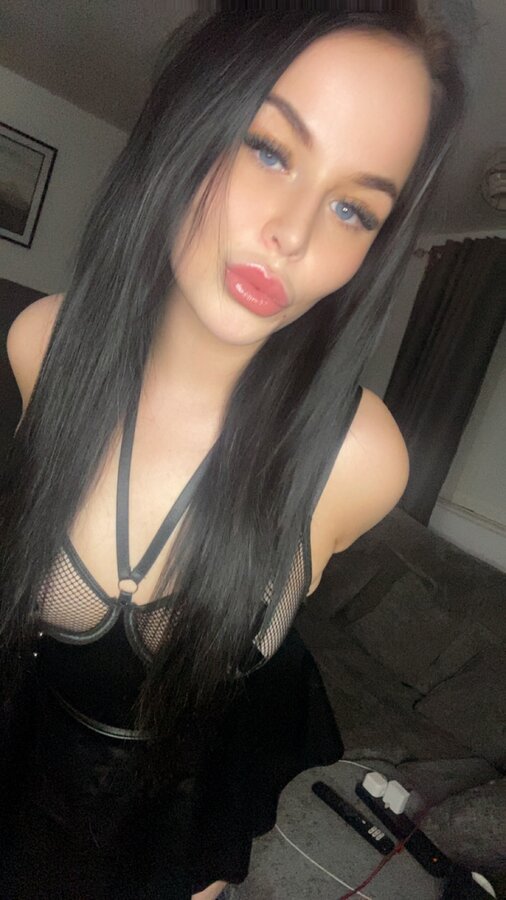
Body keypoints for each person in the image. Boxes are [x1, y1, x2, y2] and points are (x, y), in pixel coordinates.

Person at [0, 4, 468, 899]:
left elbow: (237, 714)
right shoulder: (40, 346)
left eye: (353, 208)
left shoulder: (360, 460)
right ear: (191, 119)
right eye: (269, 149)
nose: (294, 233)